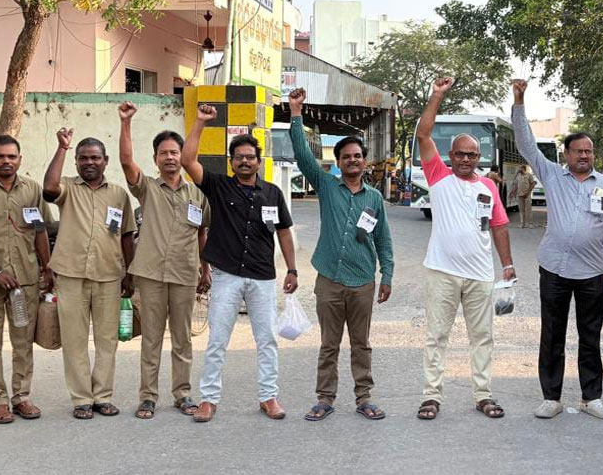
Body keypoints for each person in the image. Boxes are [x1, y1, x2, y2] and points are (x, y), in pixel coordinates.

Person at [511, 79, 603, 420]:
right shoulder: (551, 175)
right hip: (554, 269)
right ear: (567, 154)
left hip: (592, 273)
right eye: (578, 151)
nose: (584, 156)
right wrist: (519, 101)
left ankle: (592, 398)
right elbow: (525, 142)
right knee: (552, 335)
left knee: (590, 337)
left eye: (589, 151)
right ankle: (551, 397)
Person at [182, 104, 298, 422]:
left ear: (258, 161)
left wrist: (291, 268)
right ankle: (208, 400)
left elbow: (284, 232)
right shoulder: (219, 186)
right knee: (218, 340)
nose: (244, 161)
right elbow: (188, 160)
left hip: (262, 276)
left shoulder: (272, 193)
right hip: (227, 276)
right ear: (232, 162)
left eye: (250, 157)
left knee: (267, 339)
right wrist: (201, 122)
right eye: (239, 157)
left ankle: (269, 397)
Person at [287, 88, 394, 422]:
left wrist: (387, 275)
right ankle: (325, 398)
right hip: (329, 281)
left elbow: (383, 239)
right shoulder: (326, 186)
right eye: (346, 156)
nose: (352, 160)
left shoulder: (374, 198)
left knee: (361, 344)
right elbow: (303, 156)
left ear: (365, 161)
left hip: (362, 281)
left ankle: (364, 397)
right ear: (338, 162)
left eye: (357, 156)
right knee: (329, 344)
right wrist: (295, 113)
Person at [414, 77, 516, 422]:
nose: (466, 159)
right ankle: (431, 396)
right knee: (437, 336)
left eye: (472, 154)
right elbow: (423, 134)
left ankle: (483, 394)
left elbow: (499, 226)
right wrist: (437, 96)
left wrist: (507, 265)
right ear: (450, 156)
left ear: (478, 157)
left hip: (480, 275)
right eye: (460, 154)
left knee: (482, 337)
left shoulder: (488, 186)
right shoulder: (438, 176)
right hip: (442, 271)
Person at [116, 102, 210, 420]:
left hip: (185, 273)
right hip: (151, 274)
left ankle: (182, 394)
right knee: (152, 338)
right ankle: (148, 397)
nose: (170, 157)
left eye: (174, 152)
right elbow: (126, 161)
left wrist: (205, 269)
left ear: (182, 157)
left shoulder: (197, 194)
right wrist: (126, 122)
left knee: (183, 339)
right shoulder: (146, 189)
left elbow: (202, 233)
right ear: (155, 158)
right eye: (163, 153)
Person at [43, 130, 136, 420]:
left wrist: (129, 273)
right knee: (74, 340)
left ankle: (102, 397)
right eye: (83, 158)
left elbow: (126, 235)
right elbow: (49, 188)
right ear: (76, 161)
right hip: (71, 274)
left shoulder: (118, 194)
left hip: (109, 275)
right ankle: (82, 399)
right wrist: (62, 148)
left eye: (95, 158)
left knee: (107, 340)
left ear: (106, 160)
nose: (89, 163)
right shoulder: (68, 188)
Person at [0, 134, 53, 425]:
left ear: (20, 159)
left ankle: (21, 397)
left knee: (23, 341)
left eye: (11, 156)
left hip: (25, 280)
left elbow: (40, 230)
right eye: (0, 156)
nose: (6, 161)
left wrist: (47, 267)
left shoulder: (32, 189)